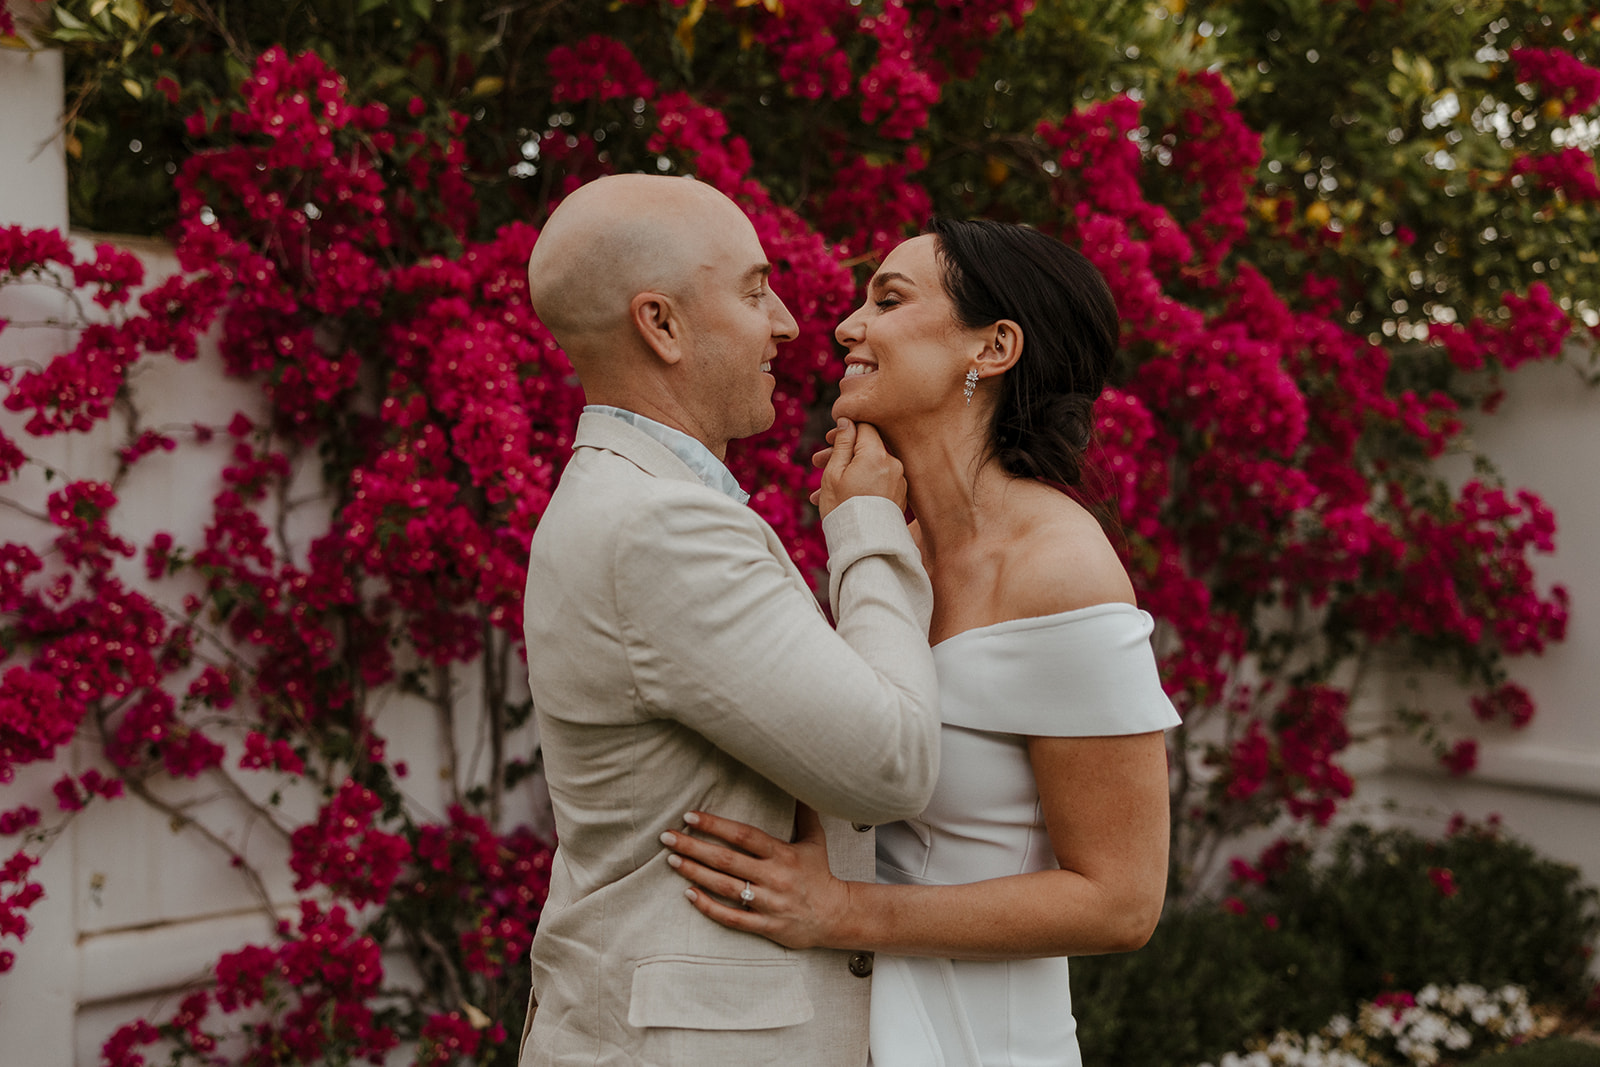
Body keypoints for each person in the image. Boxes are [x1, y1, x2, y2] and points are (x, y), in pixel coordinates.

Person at [662, 218, 1180, 1067]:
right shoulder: (886, 544)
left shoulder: (1061, 569)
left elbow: (1122, 902)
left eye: (888, 299)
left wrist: (841, 909)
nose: (844, 326)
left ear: (995, 346)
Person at [516, 173, 945, 1067]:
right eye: (754, 291)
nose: (788, 322)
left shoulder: (637, 498)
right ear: (660, 324)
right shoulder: (659, 526)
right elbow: (890, 762)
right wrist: (865, 528)